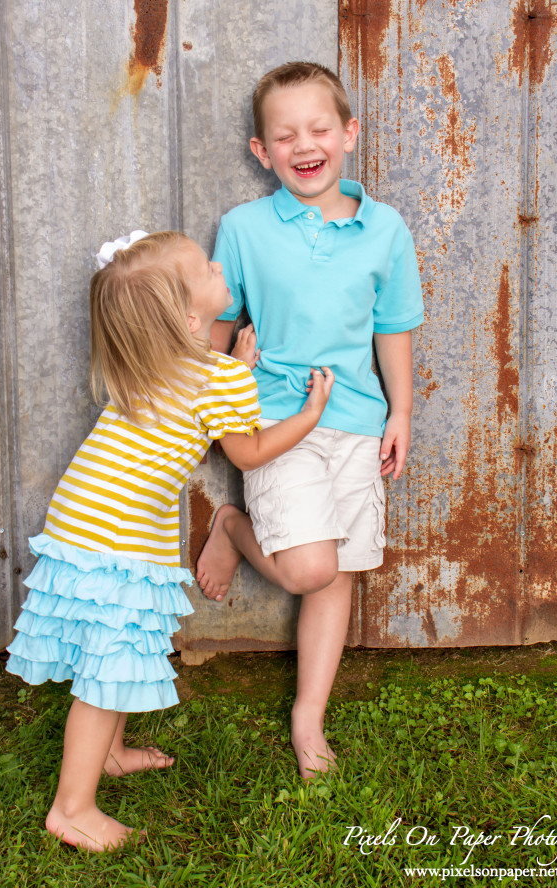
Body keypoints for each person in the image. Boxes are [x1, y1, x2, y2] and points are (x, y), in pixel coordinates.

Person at [6, 229, 334, 851]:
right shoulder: (219, 379)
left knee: (119, 648)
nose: (218, 265)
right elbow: (252, 450)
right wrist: (308, 416)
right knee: (106, 672)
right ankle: (72, 809)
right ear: (189, 316)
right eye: (208, 268)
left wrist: (233, 369)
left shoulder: (149, 364)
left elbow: (198, 396)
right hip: (120, 535)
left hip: (86, 519)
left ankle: (110, 754)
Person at [196, 61, 424, 779]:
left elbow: (392, 327)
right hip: (272, 419)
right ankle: (232, 526)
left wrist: (401, 412)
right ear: (262, 152)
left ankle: (308, 715)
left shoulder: (384, 229)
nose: (304, 144)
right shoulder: (244, 228)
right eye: (284, 134)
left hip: (356, 420)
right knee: (308, 567)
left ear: (347, 134)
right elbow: (217, 320)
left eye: (319, 128)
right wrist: (225, 368)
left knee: (338, 574)